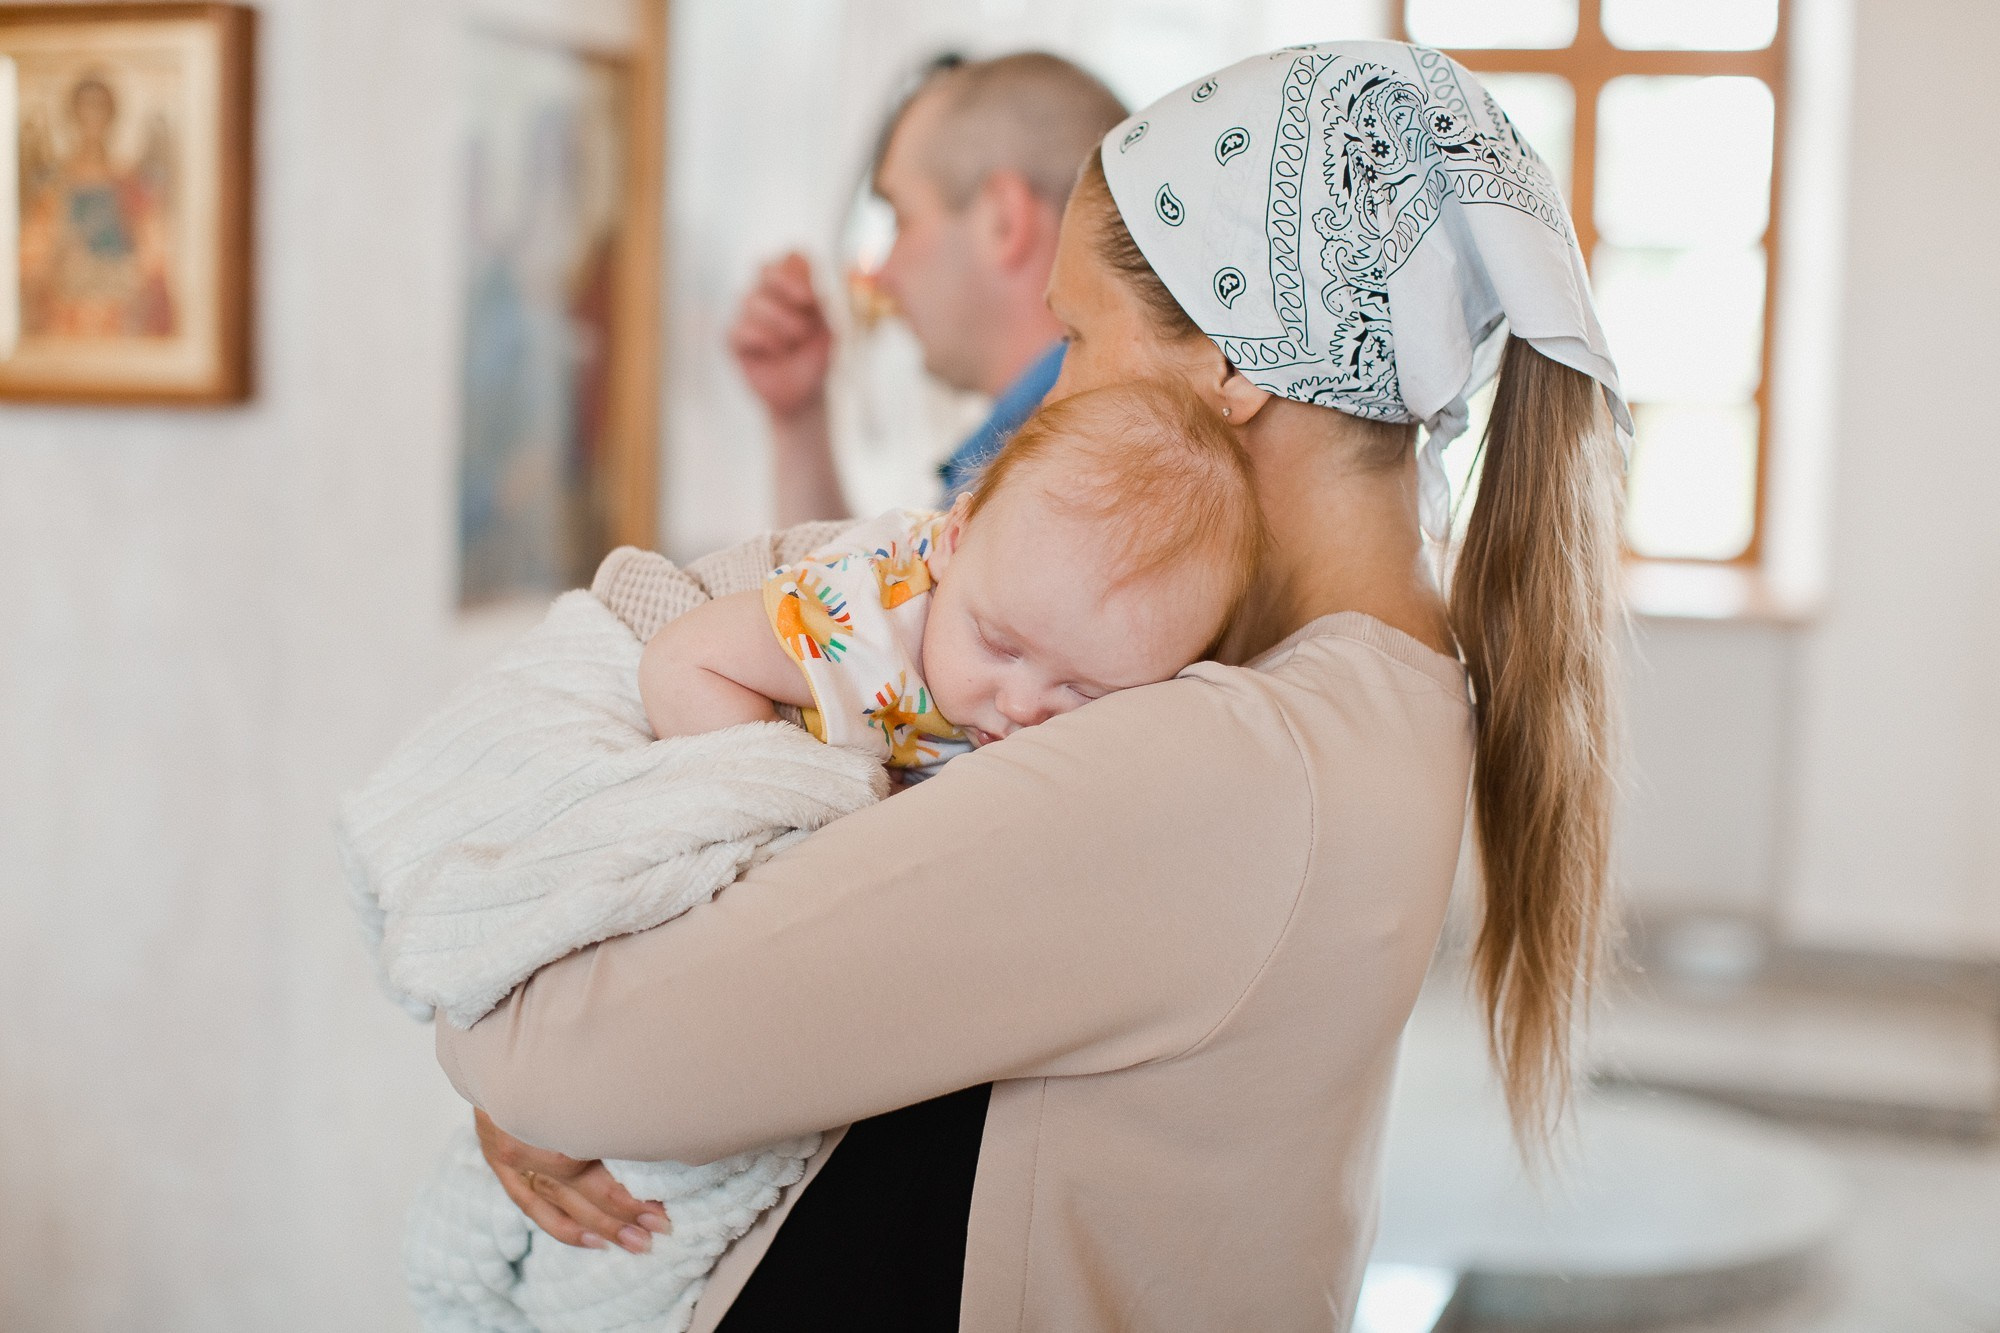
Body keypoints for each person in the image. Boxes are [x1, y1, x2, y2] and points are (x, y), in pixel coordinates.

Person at [441, 40, 1631, 1329]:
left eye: (1072, 336)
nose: (1046, 402)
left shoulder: (1228, 761)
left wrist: (504, 1052)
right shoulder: (1371, 694)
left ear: (1231, 364)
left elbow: (563, 1049)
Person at [641, 381, 1262, 771]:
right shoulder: (866, 628)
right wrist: (802, 797)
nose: (1020, 707)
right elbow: (680, 661)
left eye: (1085, 693)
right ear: (953, 544)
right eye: (998, 644)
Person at [728, 53, 1126, 526]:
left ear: (1003, 221)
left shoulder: (1064, 480)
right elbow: (851, 597)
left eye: (902, 218)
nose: (882, 273)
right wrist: (798, 418)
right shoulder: (1065, 451)